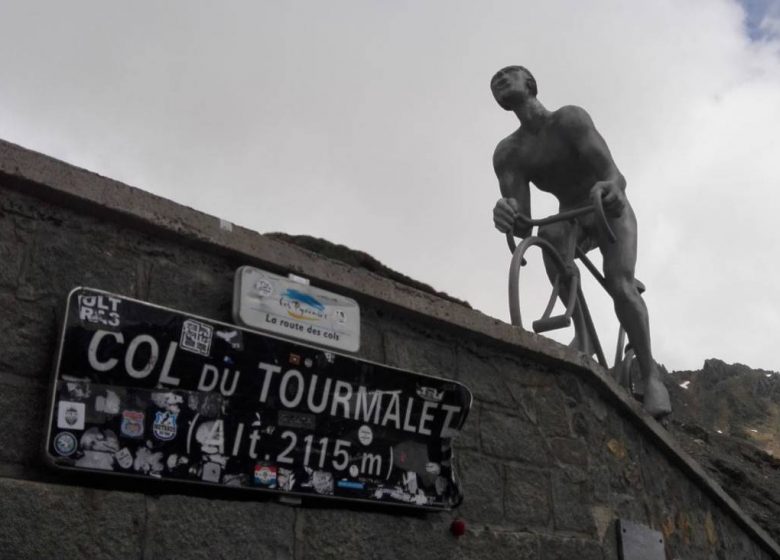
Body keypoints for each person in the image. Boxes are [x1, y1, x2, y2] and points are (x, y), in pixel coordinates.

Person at [490, 65, 671, 418]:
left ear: (530, 84)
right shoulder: (508, 154)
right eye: (493, 83)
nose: (498, 81)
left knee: (620, 284)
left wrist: (612, 190)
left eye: (507, 75)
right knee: (549, 236)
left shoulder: (569, 120)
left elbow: (614, 175)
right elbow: (524, 224)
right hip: (569, 215)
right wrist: (506, 215)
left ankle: (652, 378)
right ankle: (582, 336)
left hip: (605, 205)